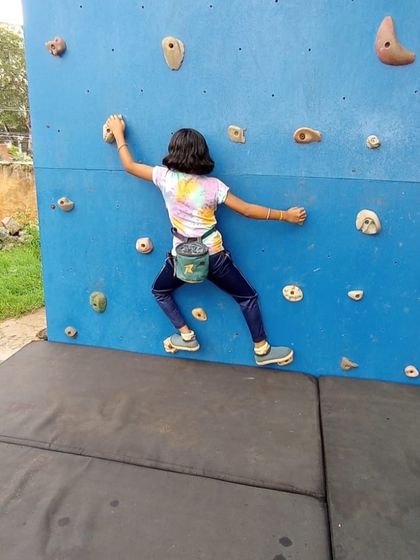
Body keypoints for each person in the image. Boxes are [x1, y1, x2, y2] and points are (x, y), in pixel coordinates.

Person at [106, 116, 307, 366]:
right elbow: (246, 210)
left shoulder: (165, 178)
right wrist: (285, 215)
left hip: (181, 258)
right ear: (203, 154)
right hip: (214, 257)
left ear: (173, 151)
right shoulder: (213, 186)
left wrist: (118, 133)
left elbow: (130, 165)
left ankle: (186, 336)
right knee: (247, 297)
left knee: (160, 291)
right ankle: (262, 349)